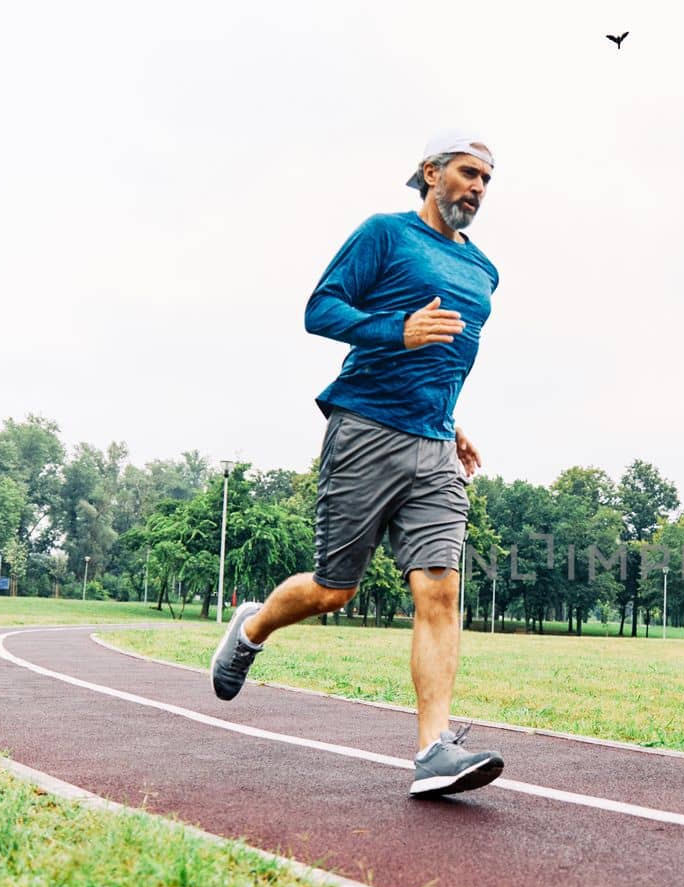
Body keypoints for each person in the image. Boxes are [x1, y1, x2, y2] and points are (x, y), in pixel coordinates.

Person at [210, 131, 505, 799]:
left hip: (433, 445)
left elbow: (446, 356)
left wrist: (452, 423)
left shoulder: (485, 270)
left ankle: (433, 750)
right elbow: (321, 309)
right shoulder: (385, 234)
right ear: (430, 173)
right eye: (467, 173)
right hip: (365, 430)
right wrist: (393, 329)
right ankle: (253, 627)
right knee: (333, 589)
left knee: (439, 589)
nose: (479, 189)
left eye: (488, 180)